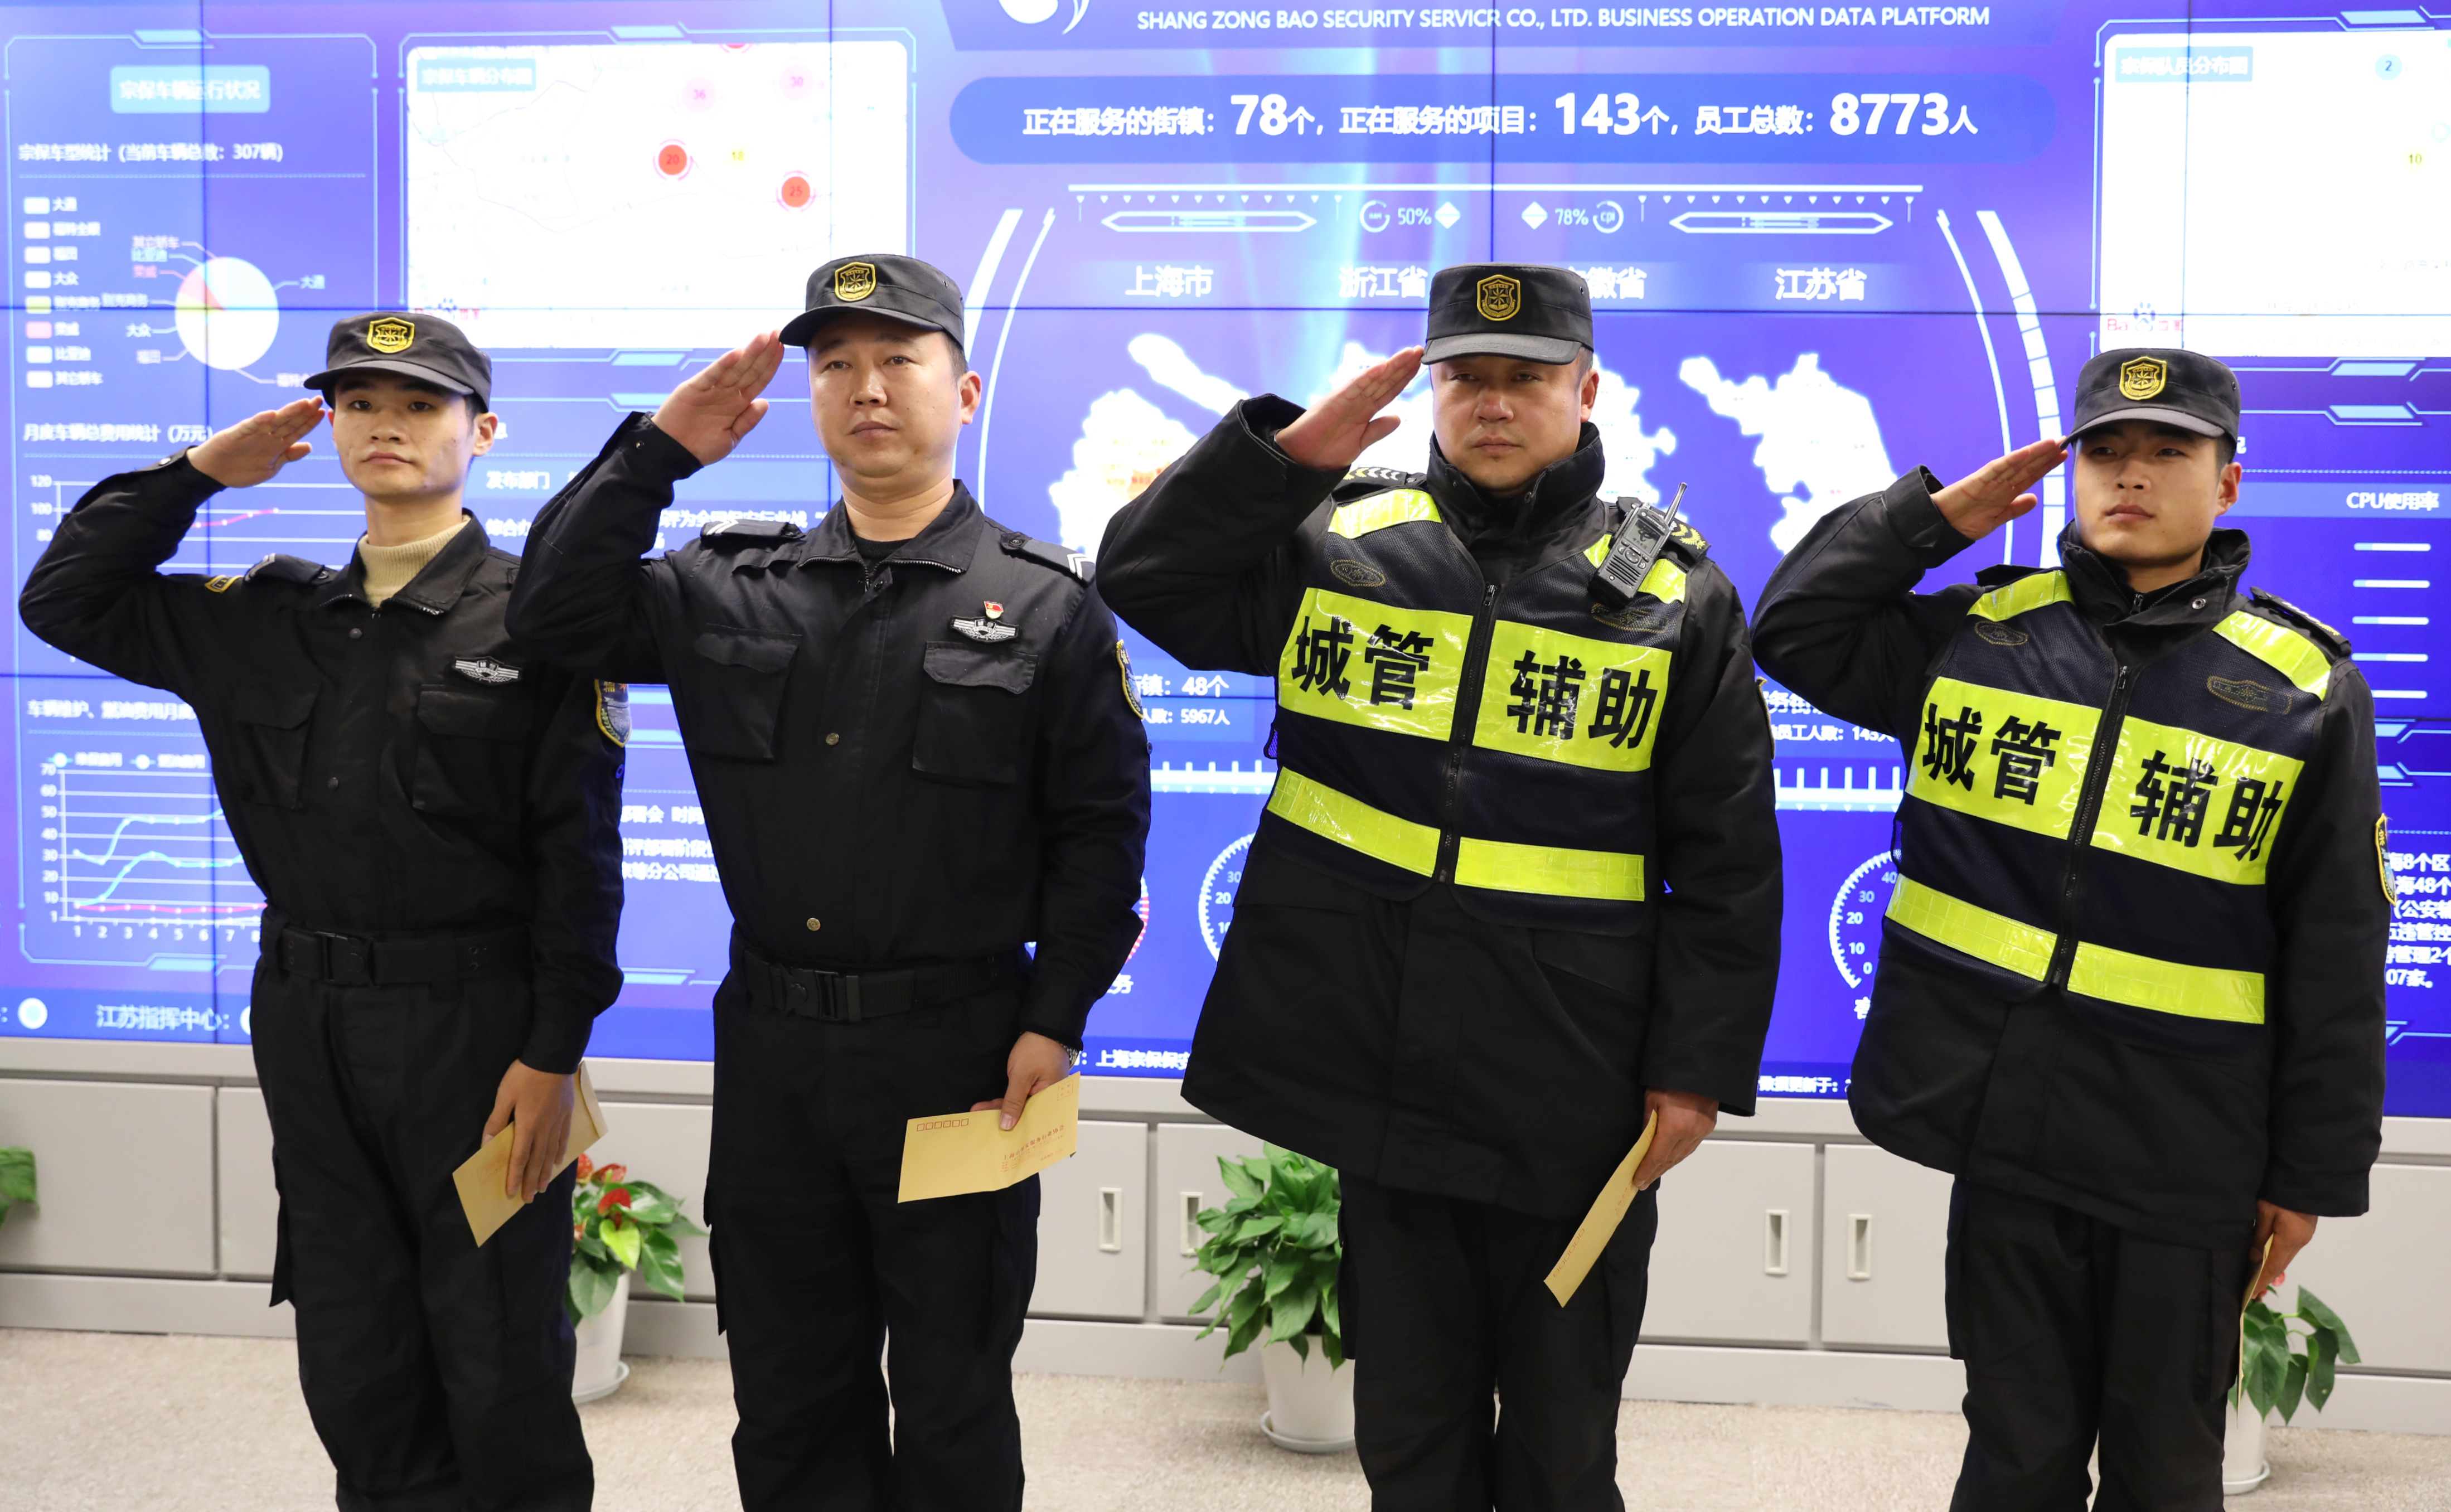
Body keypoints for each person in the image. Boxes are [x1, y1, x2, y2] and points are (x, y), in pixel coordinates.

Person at [1096, 264, 1781, 1509]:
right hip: (1381, 1066)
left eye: (1526, 378)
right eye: (1466, 376)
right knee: (1410, 1436)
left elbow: (1729, 860)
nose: (1493, 403)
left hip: (1572, 1085)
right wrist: (1282, 464)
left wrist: (1695, 1071)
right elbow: (1146, 582)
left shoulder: (1677, 597)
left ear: (1586, 391)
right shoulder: (1336, 543)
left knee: (1563, 1449)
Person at [503, 253, 1150, 1510]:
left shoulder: (1045, 604)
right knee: (791, 1391)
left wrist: (1055, 1019)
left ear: (964, 391)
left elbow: (1100, 831)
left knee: (954, 1391)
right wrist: (654, 455)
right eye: (836, 365)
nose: (867, 388)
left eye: (899, 359)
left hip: (960, 1052)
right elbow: (550, 618)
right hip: (777, 1056)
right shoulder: (723, 585)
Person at [1751, 348, 2388, 1509]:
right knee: (2014, 1455)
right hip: (2002, 1127)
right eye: (2105, 451)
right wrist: (1927, 524)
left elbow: (2337, 953)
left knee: (2165, 1468)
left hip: (2183, 1153)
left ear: (2226, 482)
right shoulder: (1978, 635)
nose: (2129, 474)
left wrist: (2308, 1176)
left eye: (2166, 451)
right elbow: (1792, 630)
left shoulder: (2302, 690)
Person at [20, 312, 624, 1512]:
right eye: (359, 404)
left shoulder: (538, 621)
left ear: (483, 432)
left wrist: (554, 1051)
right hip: (307, 1018)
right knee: (354, 1337)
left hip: (479, 1025)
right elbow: (66, 600)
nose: (384, 425)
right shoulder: (264, 614)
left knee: (499, 1345)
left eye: (419, 404)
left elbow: (580, 858)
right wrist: (196, 475)